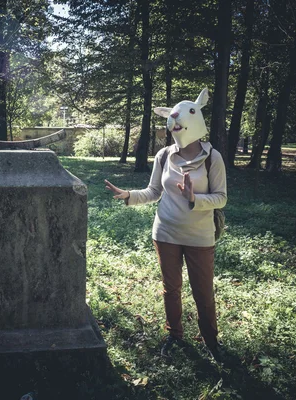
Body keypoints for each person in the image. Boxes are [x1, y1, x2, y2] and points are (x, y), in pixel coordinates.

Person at [104, 88, 227, 361]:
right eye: (171, 120)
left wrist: (194, 198)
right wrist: (129, 196)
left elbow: (221, 198)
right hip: (166, 233)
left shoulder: (212, 158)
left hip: (200, 236)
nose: (174, 123)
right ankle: (175, 334)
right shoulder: (164, 155)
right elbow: (153, 192)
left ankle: (211, 340)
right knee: (171, 289)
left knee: (203, 292)